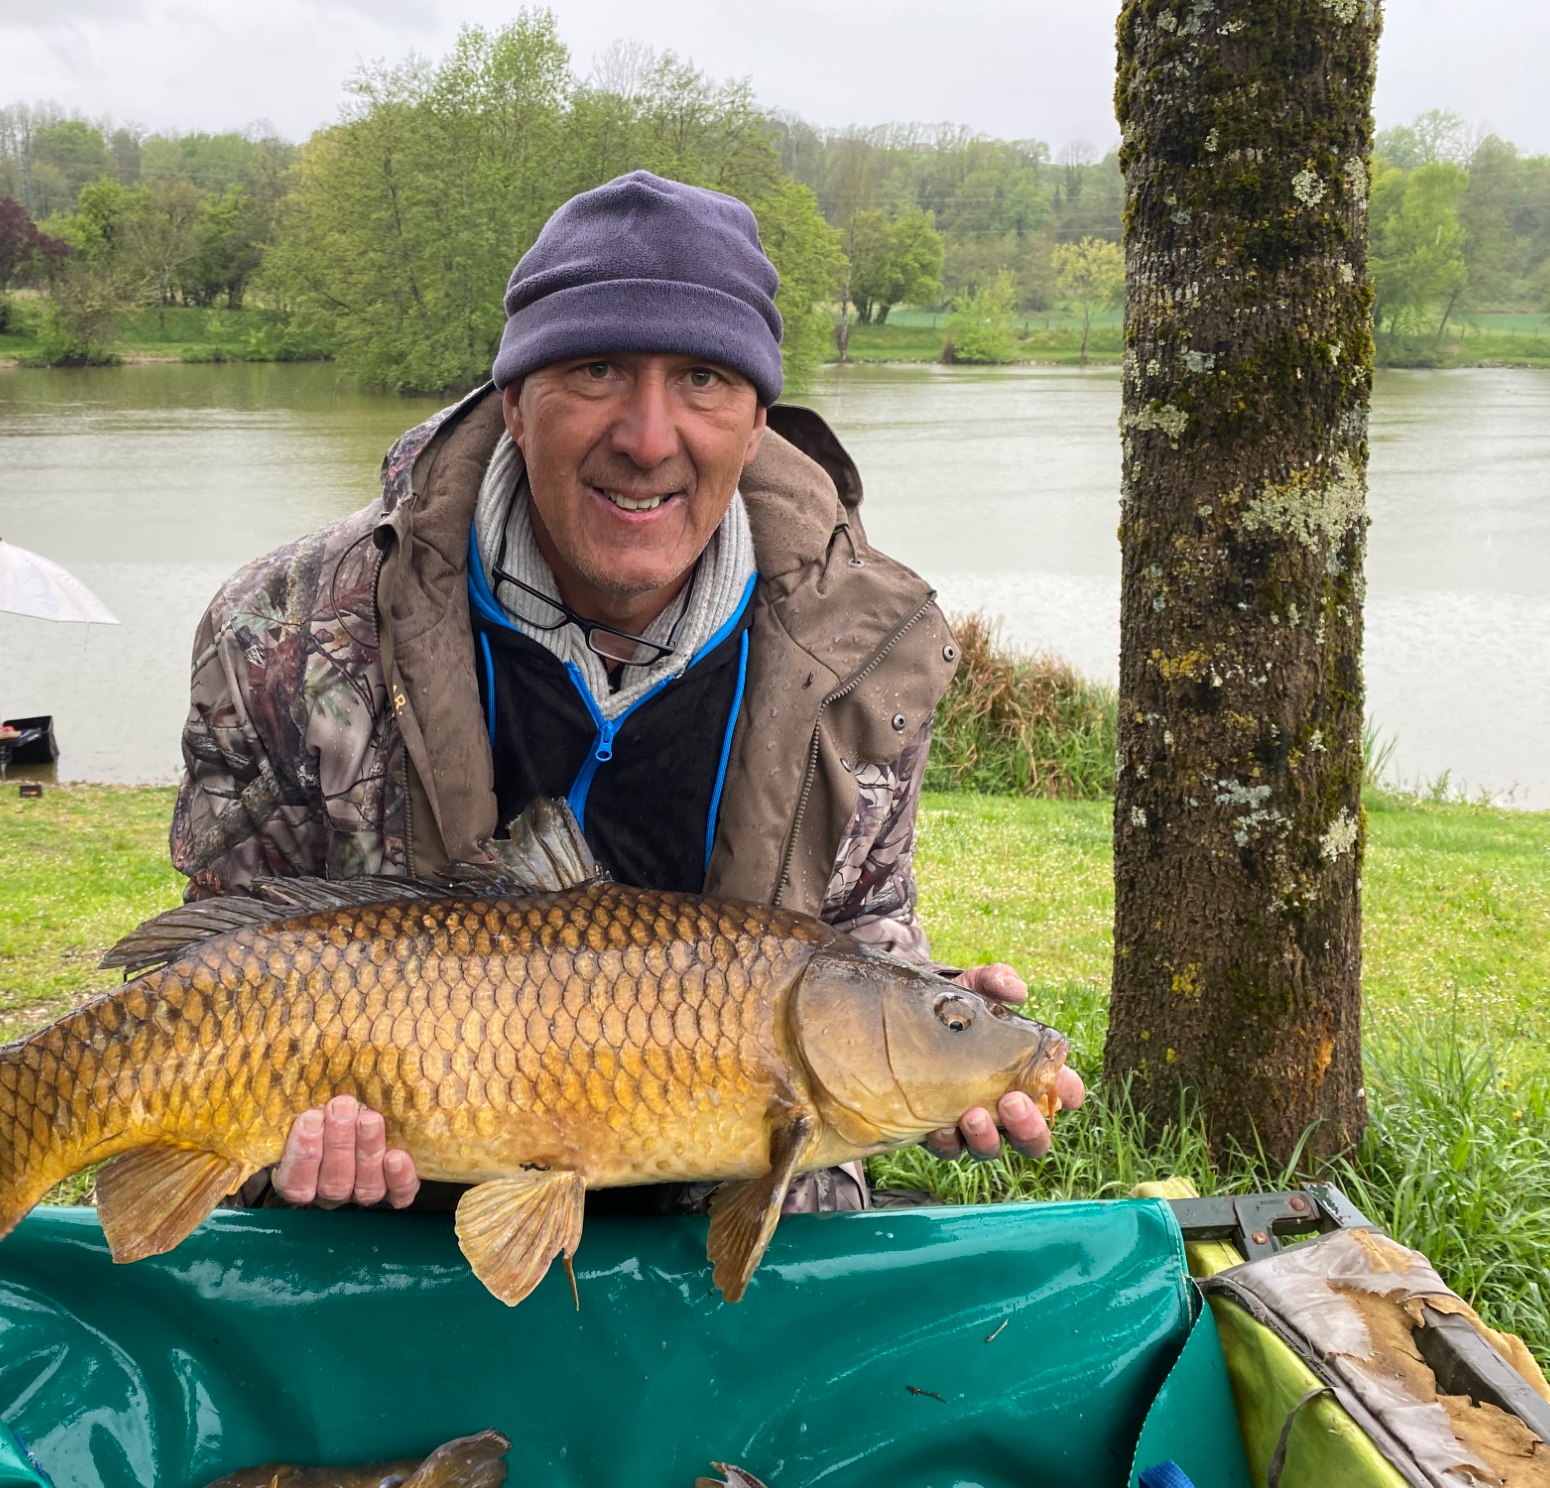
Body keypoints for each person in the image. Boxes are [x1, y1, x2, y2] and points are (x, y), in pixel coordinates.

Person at [172, 170, 1085, 1213]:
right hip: (392, 1198)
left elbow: (860, 921)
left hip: (724, 1187)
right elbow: (221, 960)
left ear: (756, 421)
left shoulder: (868, 646)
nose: (648, 439)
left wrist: (935, 1031)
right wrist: (277, 1153)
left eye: (702, 378)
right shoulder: (281, 627)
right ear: (515, 403)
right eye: (596, 369)